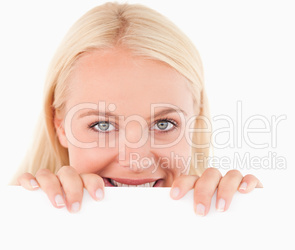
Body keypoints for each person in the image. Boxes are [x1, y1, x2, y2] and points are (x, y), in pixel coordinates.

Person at [10, 2, 262, 216]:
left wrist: (247, 221)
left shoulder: (224, 218)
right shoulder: (15, 224)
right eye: (102, 125)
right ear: (60, 126)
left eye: (163, 124)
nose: (135, 159)